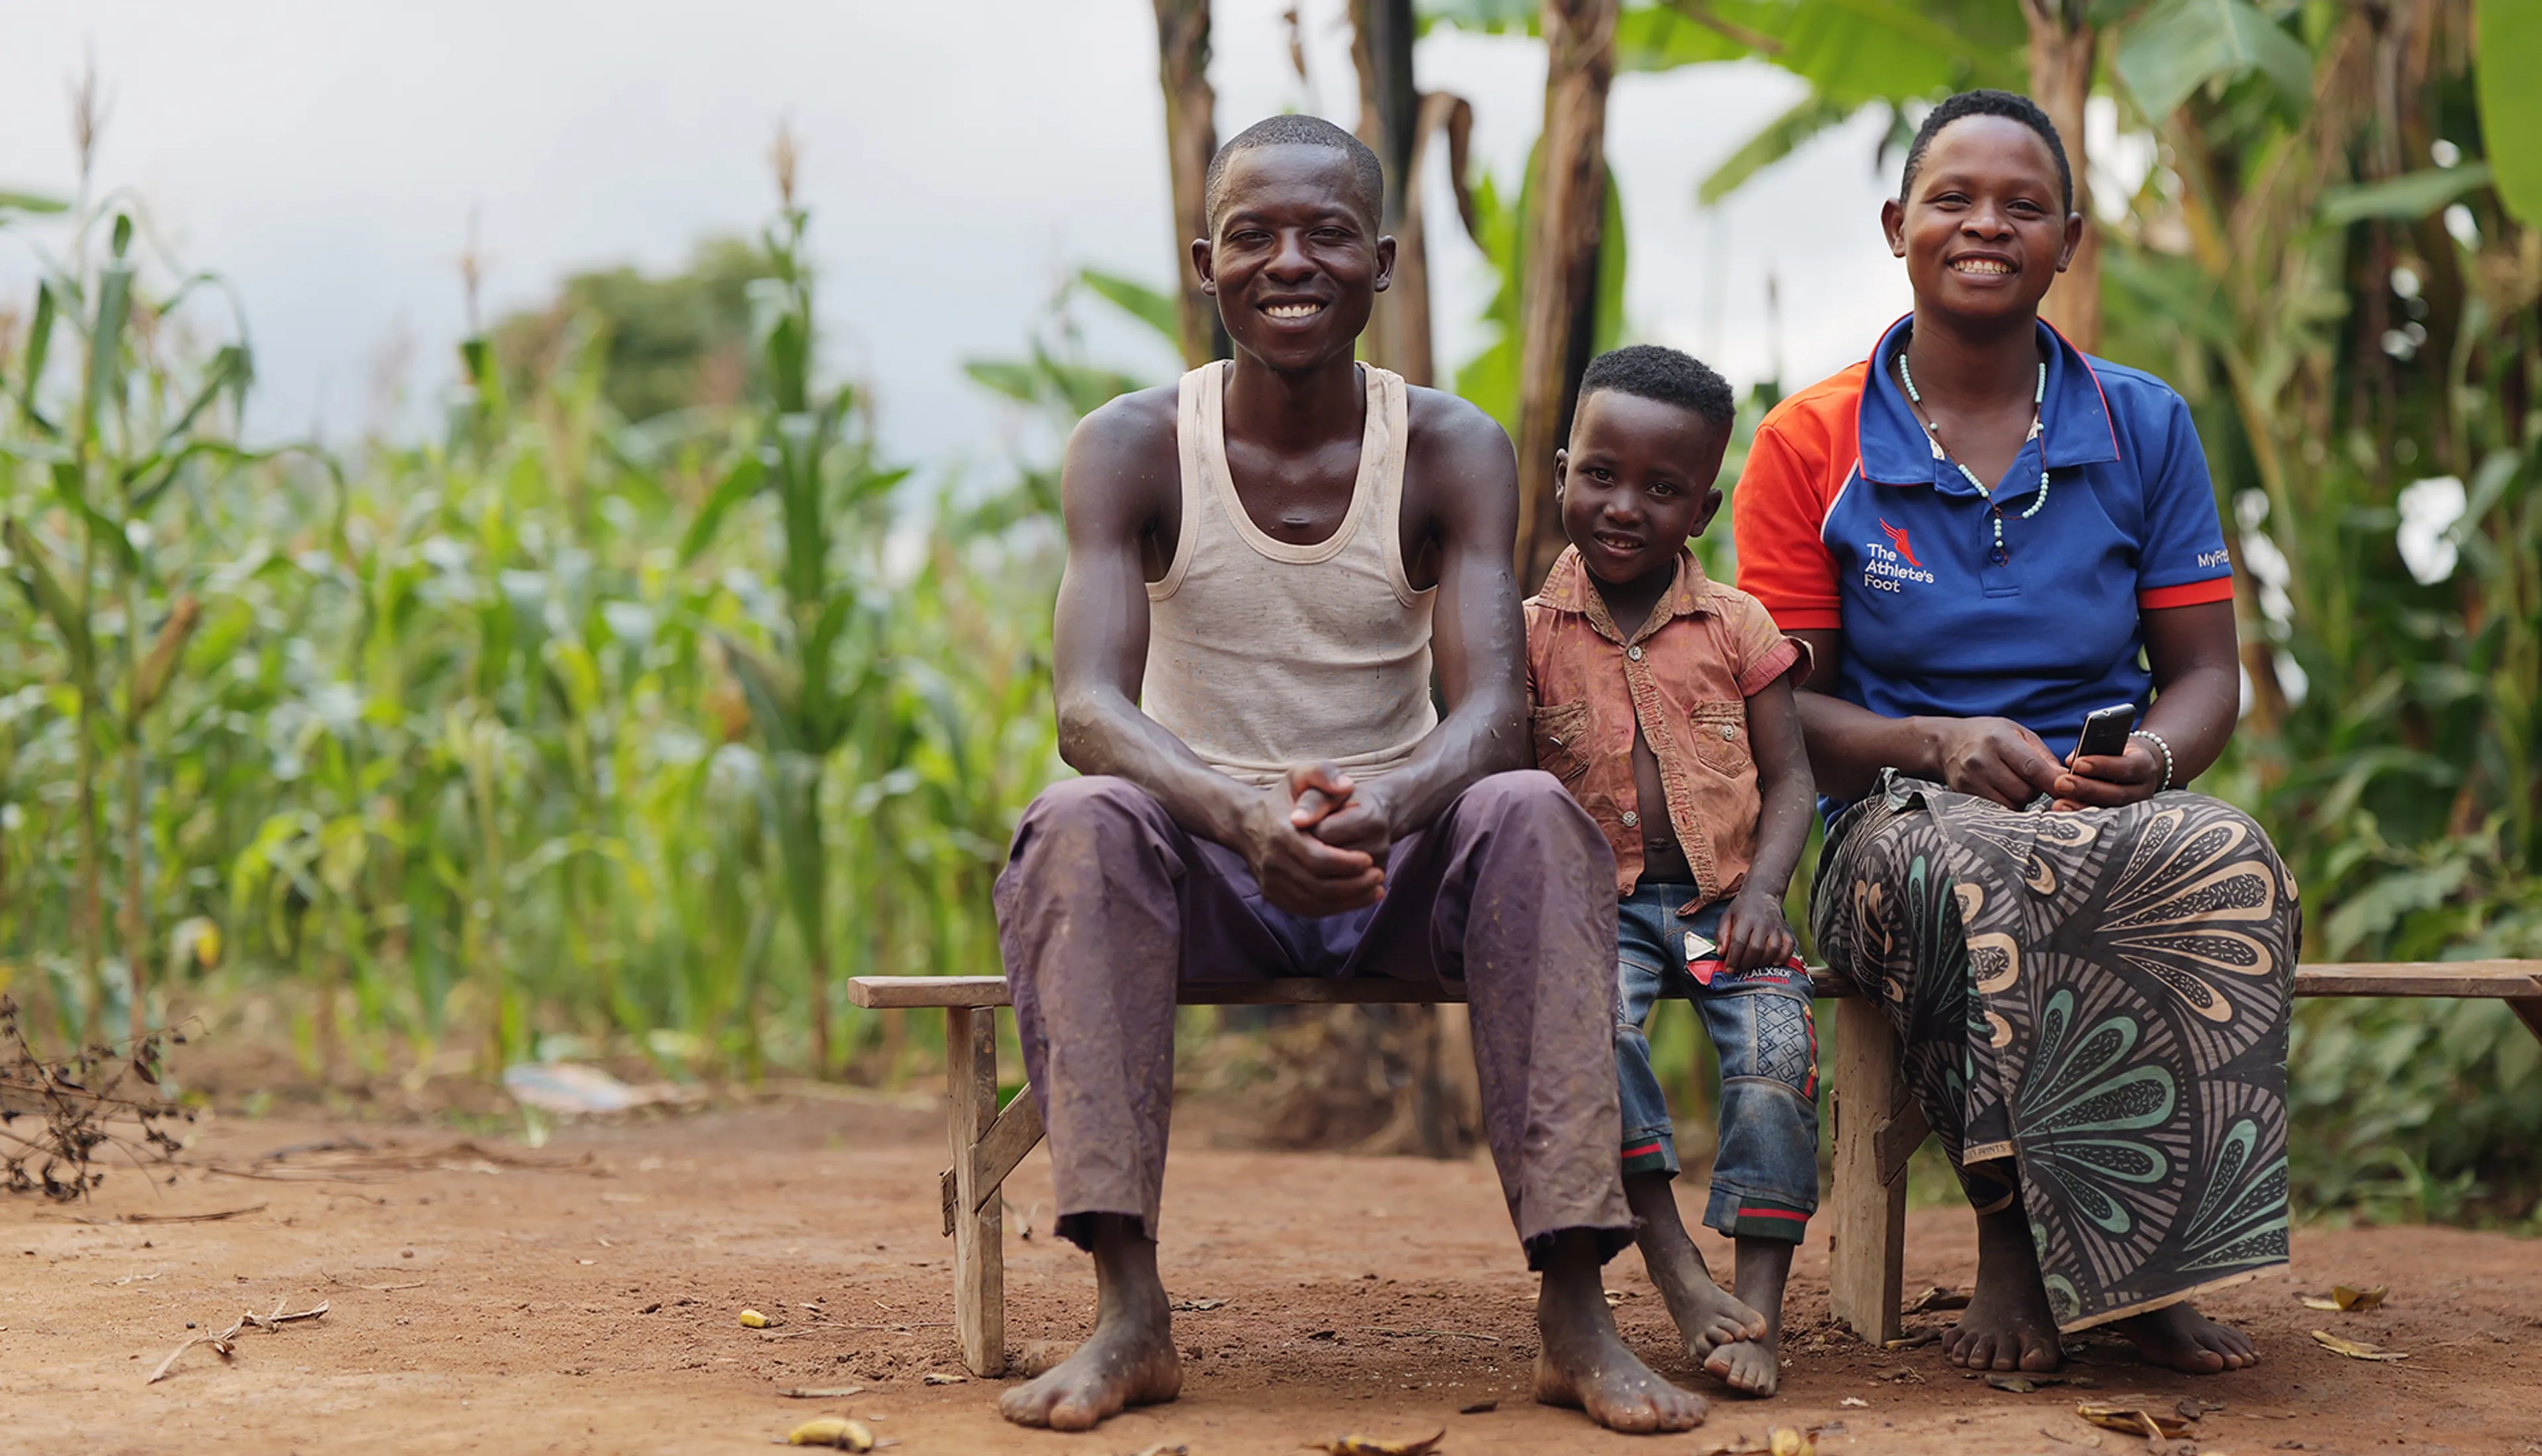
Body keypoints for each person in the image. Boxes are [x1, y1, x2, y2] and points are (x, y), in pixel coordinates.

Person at [990, 114, 1709, 1435]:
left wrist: (1383, 801)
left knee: (1533, 811)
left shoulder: (1448, 446)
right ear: (1206, 262)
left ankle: (1576, 1317)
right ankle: (1129, 1311)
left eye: (1327, 234)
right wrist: (1238, 810)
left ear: (1380, 263)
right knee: (1079, 819)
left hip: (1399, 851)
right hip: (1205, 852)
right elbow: (1088, 707)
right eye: (1254, 234)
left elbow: (1493, 711)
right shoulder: (1134, 444)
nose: (1290, 260)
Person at [1734, 89, 2298, 1376]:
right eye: (1953, 198)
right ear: (1898, 226)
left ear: (2069, 240)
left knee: (2223, 855)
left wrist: (2145, 760)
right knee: (1983, 867)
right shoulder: (1812, 442)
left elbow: (2206, 675)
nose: (1987, 225)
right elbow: (1782, 716)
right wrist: (1931, 743)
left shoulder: (2141, 423)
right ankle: (2013, 1241)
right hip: (1893, 826)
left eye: (2023, 205)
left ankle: (2159, 1260)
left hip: (2102, 801)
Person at [1523, 345, 1821, 1396]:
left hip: (1718, 911)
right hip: (1592, 916)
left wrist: (1768, 897)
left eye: (1661, 488)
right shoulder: (1524, 638)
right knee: (1585, 1036)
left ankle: (1760, 1315)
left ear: (1705, 504)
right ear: (1561, 470)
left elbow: (1792, 783)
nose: (1622, 506)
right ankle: (1671, 1261)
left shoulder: (1739, 626)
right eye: (1599, 474)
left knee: (1775, 1056)